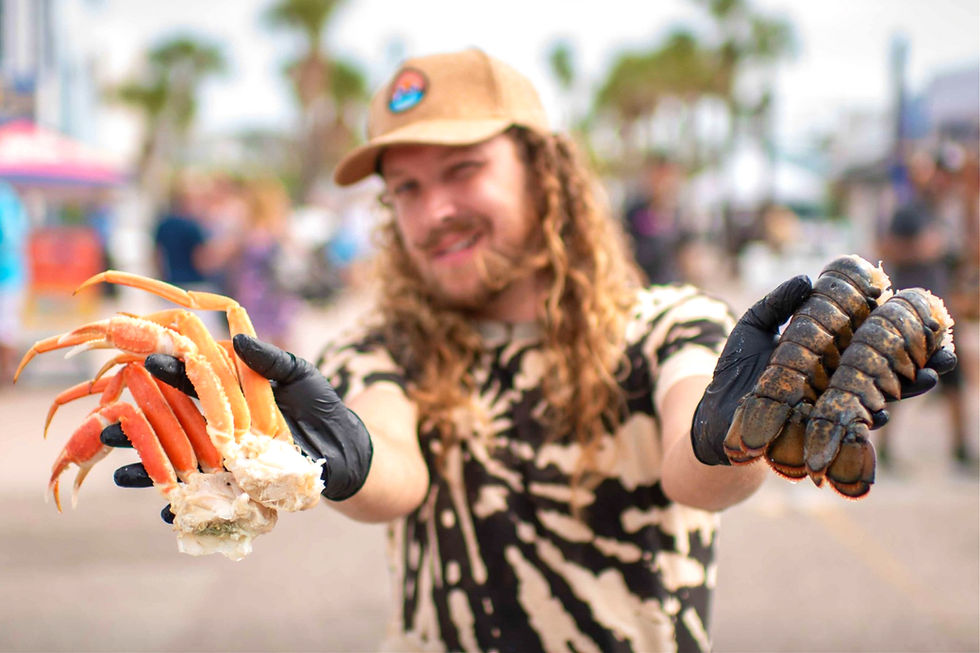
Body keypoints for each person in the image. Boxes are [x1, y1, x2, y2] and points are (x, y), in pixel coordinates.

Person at [102, 49, 955, 651]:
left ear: (545, 173)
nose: (434, 211)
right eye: (407, 189)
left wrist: (729, 433)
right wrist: (342, 464)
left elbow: (693, 468)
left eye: (463, 170)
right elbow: (393, 471)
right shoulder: (382, 341)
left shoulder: (664, 322)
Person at [876, 150, 974, 469]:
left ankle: (961, 448)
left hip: (940, 313)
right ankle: (886, 449)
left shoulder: (943, 213)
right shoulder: (907, 212)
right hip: (912, 312)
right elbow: (884, 248)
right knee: (901, 380)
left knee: (955, 382)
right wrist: (920, 249)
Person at [0, 181, 29, 385]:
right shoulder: (9, 195)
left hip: (8, 275)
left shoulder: (6, 196)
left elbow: (12, 237)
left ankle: (6, 373)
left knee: (6, 330)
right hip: (11, 273)